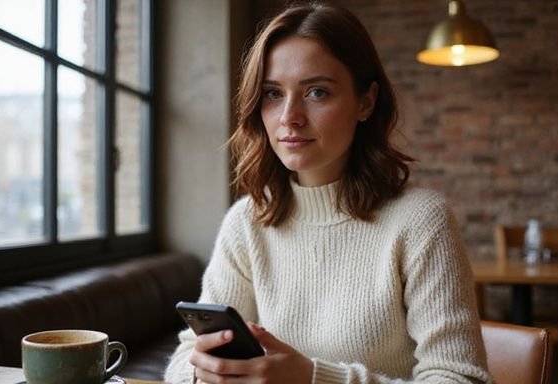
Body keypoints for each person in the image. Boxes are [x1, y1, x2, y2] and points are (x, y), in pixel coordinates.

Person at [164, 2, 492, 383]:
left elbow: (461, 379)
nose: (289, 116)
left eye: (317, 92)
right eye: (272, 94)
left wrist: (314, 378)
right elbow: (185, 356)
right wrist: (207, 373)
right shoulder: (247, 222)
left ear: (366, 101)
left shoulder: (421, 221)